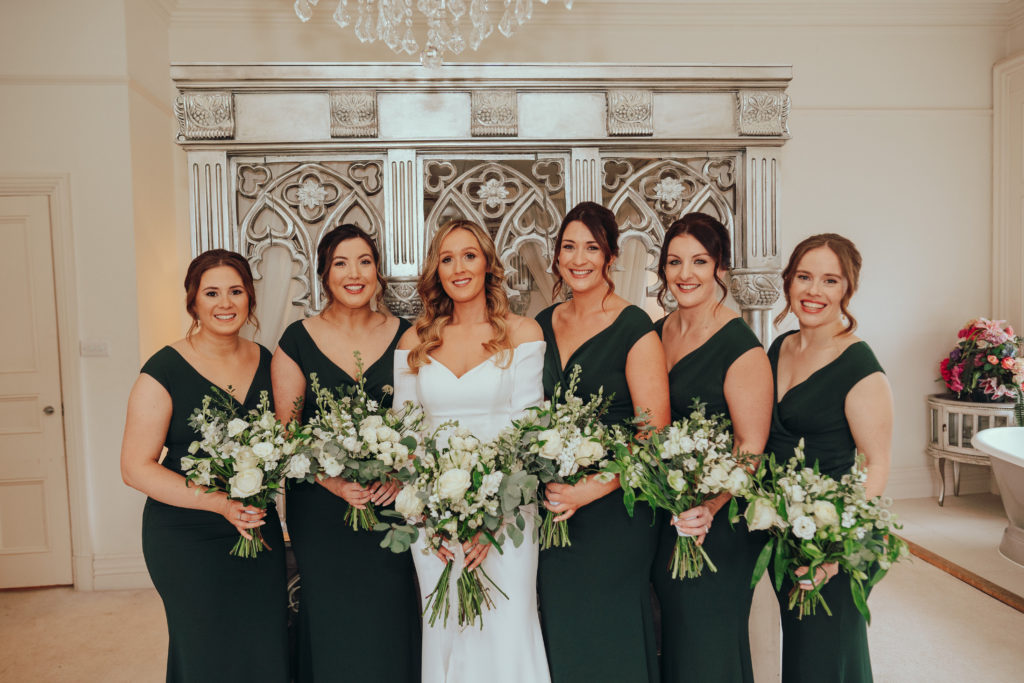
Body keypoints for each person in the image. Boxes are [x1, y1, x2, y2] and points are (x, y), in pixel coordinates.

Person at [393, 218, 550, 683]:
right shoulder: (415, 342)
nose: (458, 267)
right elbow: (406, 438)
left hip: (508, 513)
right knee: (446, 628)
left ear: (487, 264)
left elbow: (530, 433)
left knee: (506, 624)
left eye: (469, 255)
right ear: (435, 271)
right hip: (432, 517)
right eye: (446, 258)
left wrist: (496, 518)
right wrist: (427, 515)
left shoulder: (523, 333)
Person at [120, 249, 289, 682]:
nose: (225, 303)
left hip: (255, 525)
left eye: (235, 291)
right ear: (193, 302)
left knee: (263, 642)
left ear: (250, 298)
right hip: (186, 535)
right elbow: (136, 467)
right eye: (211, 293)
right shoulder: (163, 370)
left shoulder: (269, 362)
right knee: (205, 649)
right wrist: (219, 504)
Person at [271, 224, 419, 682]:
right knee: (331, 613)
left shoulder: (409, 336)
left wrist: (400, 477)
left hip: (387, 502)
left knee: (389, 610)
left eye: (364, 262)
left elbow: (421, 421)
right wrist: (333, 481)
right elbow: (286, 434)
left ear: (378, 273)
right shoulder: (296, 340)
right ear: (323, 274)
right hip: (319, 507)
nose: (354, 273)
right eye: (340, 263)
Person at [534, 201, 671, 683]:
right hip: (554, 508)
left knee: (611, 630)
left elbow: (654, 434)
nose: (579, 258)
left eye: (591, 247)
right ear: (556, 257)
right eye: (568, 247)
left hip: (616, 509)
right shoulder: (541, 324)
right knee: (563, 627)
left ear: (610, 256)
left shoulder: (635, 328)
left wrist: (592, 488)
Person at [651, 213, 773, 683]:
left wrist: (711, 504)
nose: (685, 274)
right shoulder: (660, 332)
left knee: (708, 645)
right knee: (678, 641)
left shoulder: (742, 348)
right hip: (670, 513)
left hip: (719, 524)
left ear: (720, 267)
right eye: (675, 262)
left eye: (699, 261)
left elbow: (752, 448)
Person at [766, 233, 893, 683]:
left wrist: (835, 551)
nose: (813, 291)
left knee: (829, 656)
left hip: (836, 538)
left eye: (829, 280)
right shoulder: (780, 347)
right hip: (789, 532)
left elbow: (876, 465)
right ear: (789, 282)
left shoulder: (860, 367)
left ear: (847, 290)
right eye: (804, 277)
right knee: (803, 654)